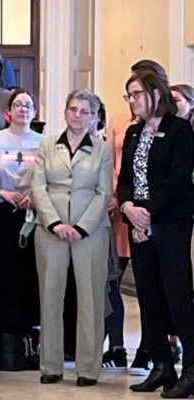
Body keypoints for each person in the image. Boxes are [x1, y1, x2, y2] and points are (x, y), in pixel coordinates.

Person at [117, 69, 194, 396]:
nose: (132, 100)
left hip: (171, 222)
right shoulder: (134, 132)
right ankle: (161, 365)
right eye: (129, 95)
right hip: (139, 225)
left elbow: (178, 179)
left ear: (156, 94)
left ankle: (190, 369)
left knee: (176, 295)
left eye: (136, 94)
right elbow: (125, 180)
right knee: (148, 295)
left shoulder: (180, 130)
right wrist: (128, 209)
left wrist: (146, 216)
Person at [32, 89, 113, 387]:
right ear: (65, 112)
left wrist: (81, 227)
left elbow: (104, 192)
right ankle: (50, 365)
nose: (78, 116)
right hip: (50, 229)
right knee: (50, 295)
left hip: (89, 231)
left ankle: (88, 368)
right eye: (73, 109)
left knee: (90, 298)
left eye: (85, 112)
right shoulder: (47, 144)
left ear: (94, 118)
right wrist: (54, 223)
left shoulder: (103, 149)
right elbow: (38, 186)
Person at [0, 89, 42, 372]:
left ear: (34, 112)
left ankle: (29, 340)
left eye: (28, 105)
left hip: (33, 216)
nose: (22, 109)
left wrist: (36, 197)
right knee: (2, 276)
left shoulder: (43, 143)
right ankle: (3, 341)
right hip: (1, 214)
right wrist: (1, 192)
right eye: (18, 105)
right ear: (8, 111)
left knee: (30, 275)